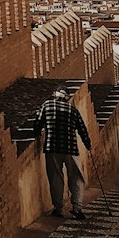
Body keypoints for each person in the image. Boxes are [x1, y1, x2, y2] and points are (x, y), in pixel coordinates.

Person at [33, 87, 92, 219]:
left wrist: (36, 133)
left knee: (55, 178)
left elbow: (37, 122)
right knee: (76, 177)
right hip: (71, 149)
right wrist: (88, 144)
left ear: (54, 95)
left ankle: (58, 208)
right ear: (66, 97)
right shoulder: (72, 109)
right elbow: (82, 128)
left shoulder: (47, 105)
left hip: (52, 148)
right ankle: (77, 208)